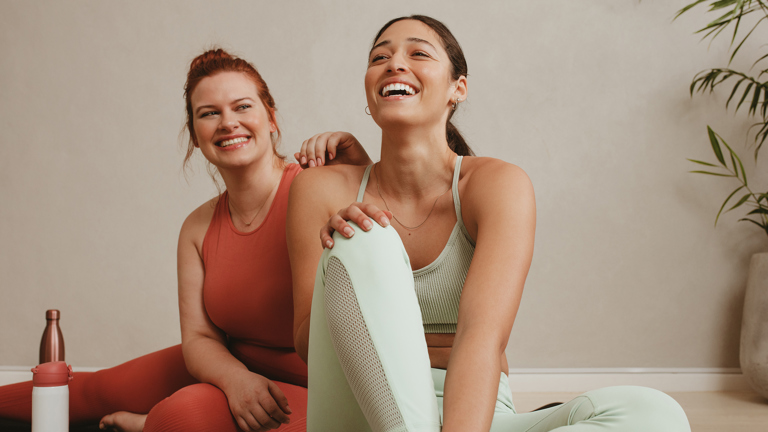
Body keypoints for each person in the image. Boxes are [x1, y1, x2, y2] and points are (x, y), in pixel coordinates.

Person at [287, 15, 692, 431]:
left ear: (457, 88)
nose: (395, 64)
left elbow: (482, 336)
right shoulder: (321, 188)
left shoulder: (496, 184)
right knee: (363, 239)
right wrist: (350, 257)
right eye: (380, 57)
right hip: (360, 409)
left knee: (654, 414)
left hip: (475, 413)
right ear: (369, 96)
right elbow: (306, 341)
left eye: (418, 53)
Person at [0, 48, 370, 432]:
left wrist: (361, 167)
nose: (228, 123)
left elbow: (401, 239)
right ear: (195, 135)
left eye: (242, 107)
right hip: (233, 363)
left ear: (271, 118)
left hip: (320, 386)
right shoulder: (197, 227)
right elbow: (198, 338)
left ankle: (149, 424)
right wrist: (235, 380)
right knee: (97, 389)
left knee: (182, 416)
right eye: (209, 113)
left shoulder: (317, 188)